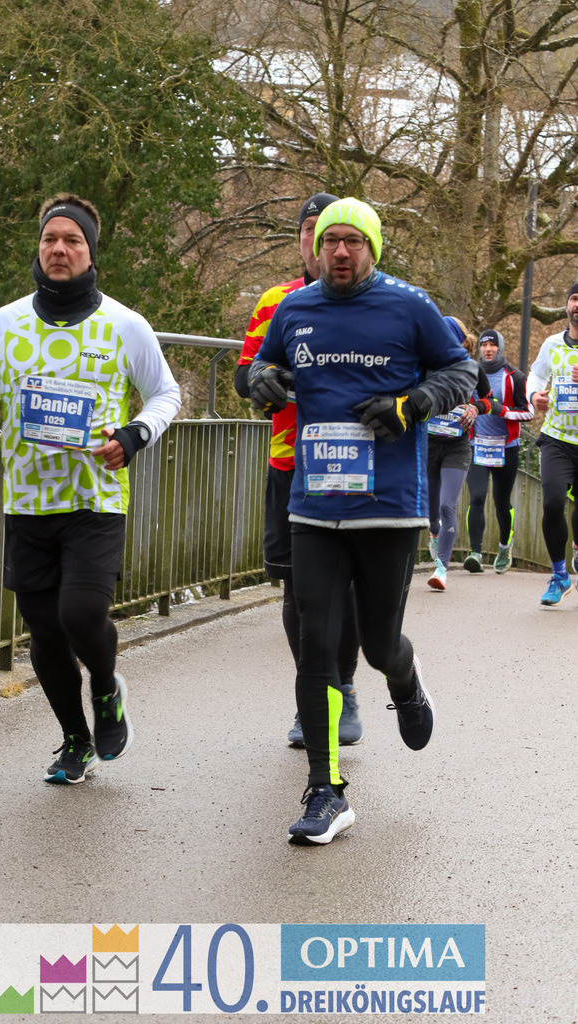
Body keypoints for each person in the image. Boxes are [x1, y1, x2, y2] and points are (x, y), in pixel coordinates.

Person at [249, 197, 476, 845]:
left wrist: (413, 403)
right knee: (315, 646)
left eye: (352, 241)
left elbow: (460, 370)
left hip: (387, 508)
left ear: (371, 248)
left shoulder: (407, 306)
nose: (340, 252)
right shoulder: (294, 310)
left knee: (377, 646)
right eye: (330, 241)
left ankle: (403, 679)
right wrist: (263, 379)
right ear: (317, 248)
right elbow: (260, 368)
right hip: (314, 505)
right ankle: (325, 790)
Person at [0, 193, 181, 783]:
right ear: (39, 248)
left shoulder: (125, 325)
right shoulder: (6, 322)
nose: (59, 249)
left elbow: (166, 394)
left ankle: (106, 690)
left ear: (90, 251)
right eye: (50, 239)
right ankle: (74, 740)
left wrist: (134, 436)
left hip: (93, 499)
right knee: (46, 630)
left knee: (82, 613)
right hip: (27, 499)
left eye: (72, 240)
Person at [234, 193, 363, 748]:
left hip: (358, 463)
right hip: (291, 462)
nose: (322, 243)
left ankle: (348, 689)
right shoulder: (277, 302)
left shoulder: (376, 304)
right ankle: (315, 695)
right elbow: (244, 373)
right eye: (311, 231)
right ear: (302, 241)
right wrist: (259, 381)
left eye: (334, 234)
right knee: (295, 590)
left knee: (351, 586)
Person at [426, 317, 496, 591]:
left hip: (458, 447)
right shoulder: (427, 366)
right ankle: (434, 532)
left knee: (447, 506)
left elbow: (492, 400)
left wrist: (476, 408)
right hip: (430, 444)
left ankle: (441, 568)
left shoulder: (471, 368)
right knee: (432, 514)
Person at [462, 329, 533, 575]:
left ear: (500, 348)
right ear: (479, 348)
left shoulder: (515, 376)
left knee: (502, 503)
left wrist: (501, 410)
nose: (488, 349)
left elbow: (528, 413)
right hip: (477, 446)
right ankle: (475, 553)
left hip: (506, 448)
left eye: (493, 345)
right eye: (484, 345)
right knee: (477, 497)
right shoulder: (470, 373)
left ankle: (504, 546)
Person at [526, 282, 578, 605]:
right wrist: (534, 396)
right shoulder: (551, 345)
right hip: (557, 437)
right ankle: (559, 576)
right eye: (574, 299)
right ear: (567, 307)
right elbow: (534, 375)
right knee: (552, 502)